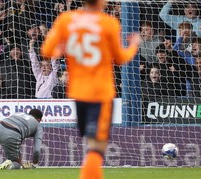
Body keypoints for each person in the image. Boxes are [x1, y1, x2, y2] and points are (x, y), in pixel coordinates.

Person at [41, 0, 141, 178]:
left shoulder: (66, 19)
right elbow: (119, 58)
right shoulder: (109, 22)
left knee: (90, 146)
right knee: (96, 148)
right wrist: (133, 45)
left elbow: (47, 50)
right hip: (101, 93)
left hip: (78, 93)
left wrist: (63, 48)